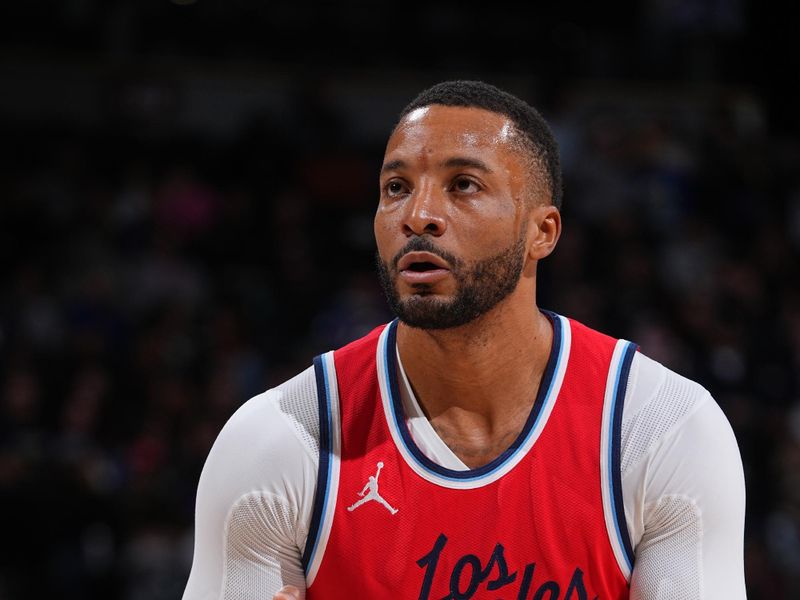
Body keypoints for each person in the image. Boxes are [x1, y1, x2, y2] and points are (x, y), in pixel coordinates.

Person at [181, 80, 746, 600]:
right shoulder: (281, 439)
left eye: (463, 185)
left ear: (541, 232)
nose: (419, 214)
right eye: (396, 187)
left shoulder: (660, 429)